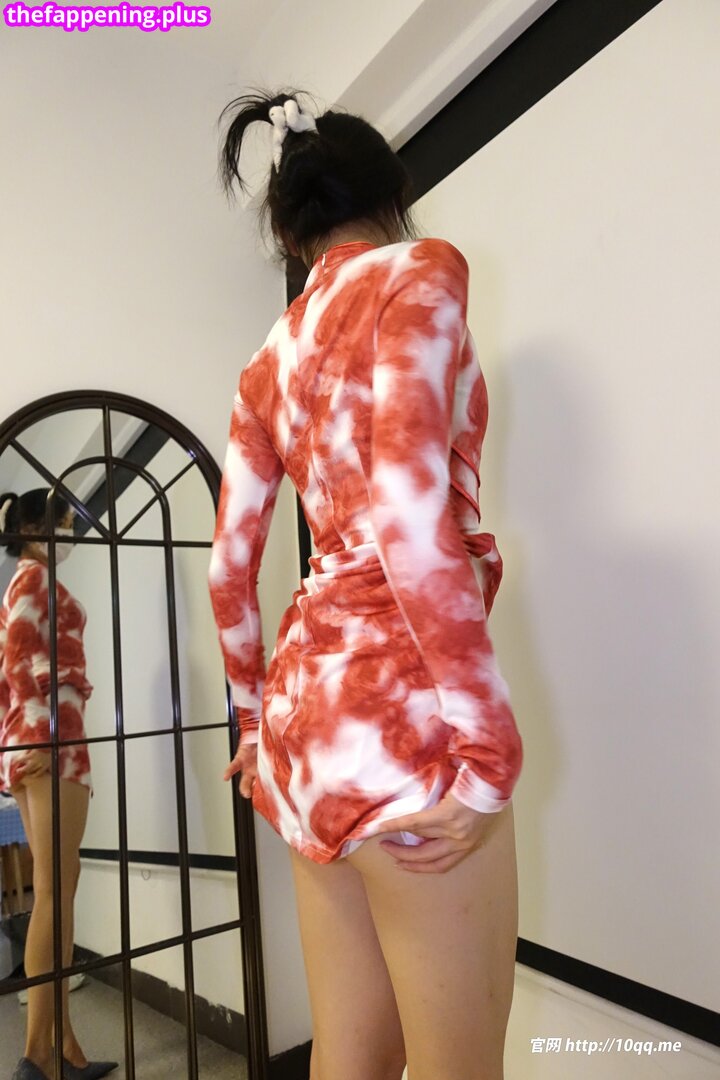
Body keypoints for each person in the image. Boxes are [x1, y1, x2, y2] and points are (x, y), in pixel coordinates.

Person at [209, 89, 524, 1080]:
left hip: (305, 723)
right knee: (458, 1065)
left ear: (290, 233)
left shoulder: (265, 360)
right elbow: (409, 516)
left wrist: (252, 725)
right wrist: (490, 750)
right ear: (392, 194)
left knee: (351, 1053)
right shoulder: (419, 270)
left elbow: (229, 566)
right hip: (403, 719)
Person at [0, 490, 117, 1080]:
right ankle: (37, 1057)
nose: (70, 532)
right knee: (52, 891)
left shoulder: (26, 582)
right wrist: (41, 735)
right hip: (52, 738)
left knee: (60, 886)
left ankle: (65, 1047)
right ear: (32, 529)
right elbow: (16, 662)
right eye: (65, 523)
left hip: (43, 736)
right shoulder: (32, 579)